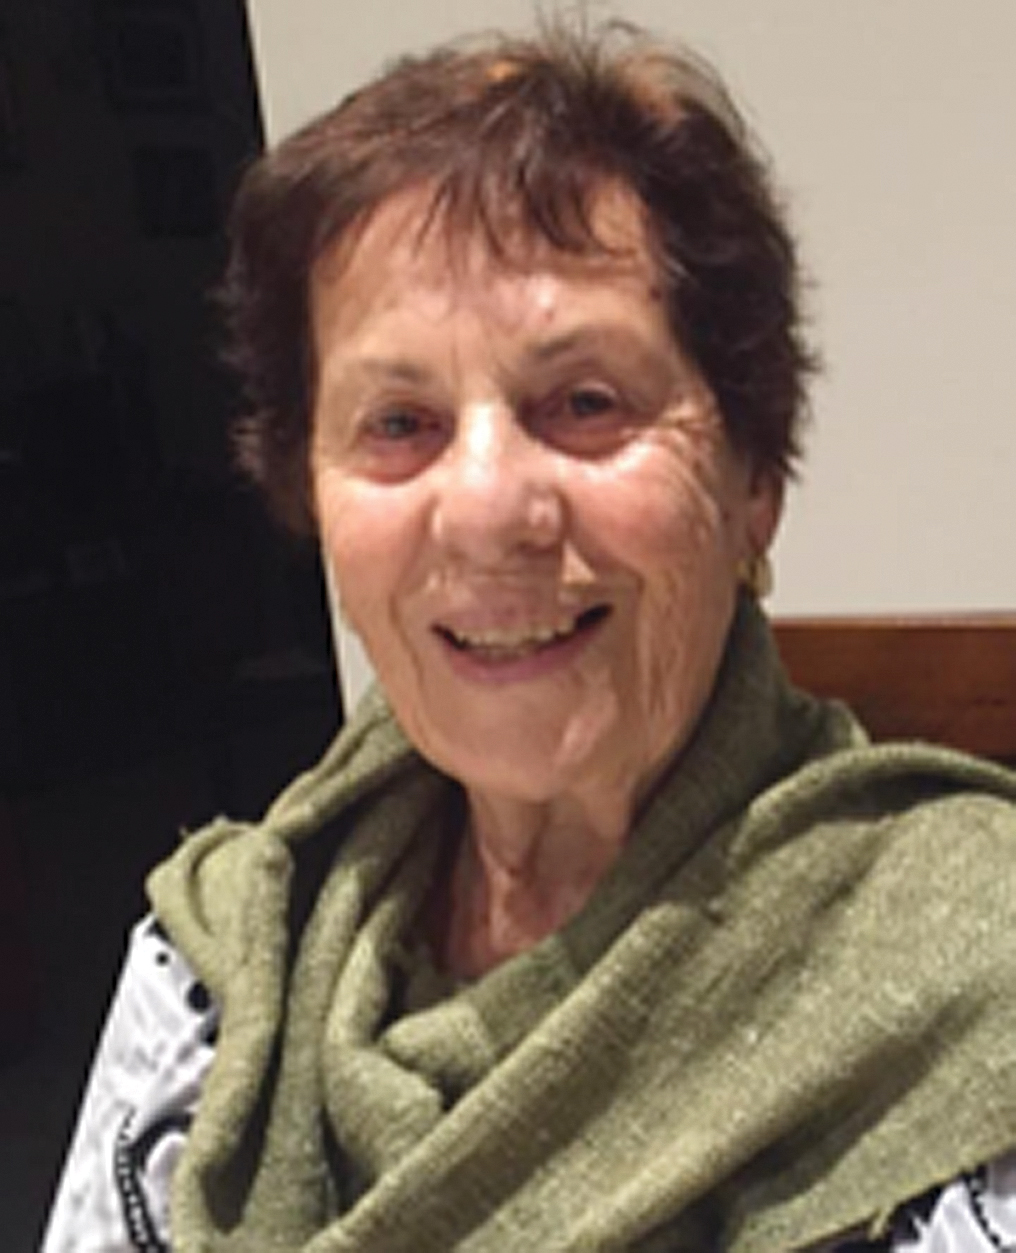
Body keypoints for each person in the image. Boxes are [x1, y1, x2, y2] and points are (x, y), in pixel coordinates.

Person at [44, 23, 1016, 1253]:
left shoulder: (972, 980)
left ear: (753, 483)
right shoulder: (217, 965)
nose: (486, 506)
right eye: (398, 421)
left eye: (585, 402)